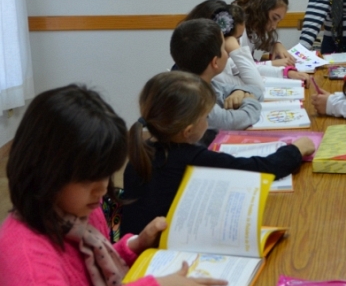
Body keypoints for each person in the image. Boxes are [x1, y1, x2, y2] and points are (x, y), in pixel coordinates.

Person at [0, 84, 233, 286]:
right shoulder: (23, 248)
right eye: (88, 178)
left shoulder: (81, 212)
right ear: (45, 172)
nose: (101, 188)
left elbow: (96, 266)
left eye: (106, 173)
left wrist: (135, 245)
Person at [121, 71, 315, 235]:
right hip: (163, 253)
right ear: (188, 131)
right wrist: (295, 150)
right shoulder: (192, 159)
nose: (208, 123)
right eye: (205, 117)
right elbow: (260, 169)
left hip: (134, 250)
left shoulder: (140, 154)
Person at [170, 18, 262, 130]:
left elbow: (256, 90)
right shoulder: (197, 99)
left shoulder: (208, 83)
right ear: (215, 62)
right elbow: (230, 121)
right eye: (224, 48)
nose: (227, 53)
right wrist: (250, 101)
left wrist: (239, 91)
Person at [234, 0, 308, 81]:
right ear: (260, 9)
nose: (274, 26)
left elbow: (259, 41)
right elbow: (238, 69)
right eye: (274, 18)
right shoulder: (236, 27)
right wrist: (272, 64)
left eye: (278, 21)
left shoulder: (252, 24)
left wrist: (276, 43)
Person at [182, 0, 264, 92]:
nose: (237, 44)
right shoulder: (211, 72)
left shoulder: (216, 63)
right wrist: (237, 51)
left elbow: (247, 71)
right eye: (234, 39)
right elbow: (257, 88)